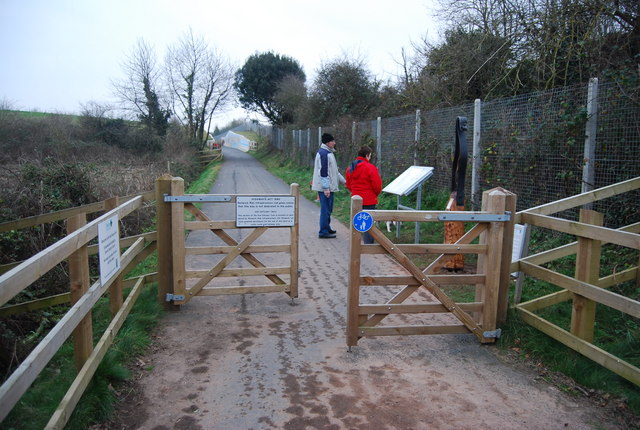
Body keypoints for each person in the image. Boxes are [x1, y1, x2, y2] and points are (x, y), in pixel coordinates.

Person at [311, 133, 346, 238]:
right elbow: (323, 172)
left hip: (328, 187)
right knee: (325, 209)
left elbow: (334, 171)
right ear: (327, 142)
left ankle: (326, 227)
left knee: (328, 209)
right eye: (332, 141)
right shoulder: (324, 154)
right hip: (325, 188)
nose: (334, 143)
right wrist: (326, 188)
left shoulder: (327, 153)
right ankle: (323, 231)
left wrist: (343, 181)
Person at [345, 145, 382, 244]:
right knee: (368, 223)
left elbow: (348, 183)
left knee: (356, 221)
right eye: (370, 155)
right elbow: (377, 185)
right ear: (367, 155)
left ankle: (355, 244)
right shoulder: (370, 167)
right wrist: (375, 194)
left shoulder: (350, 168)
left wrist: (354, 192)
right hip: (369, 199)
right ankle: (368, 244)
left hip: (355, 199)